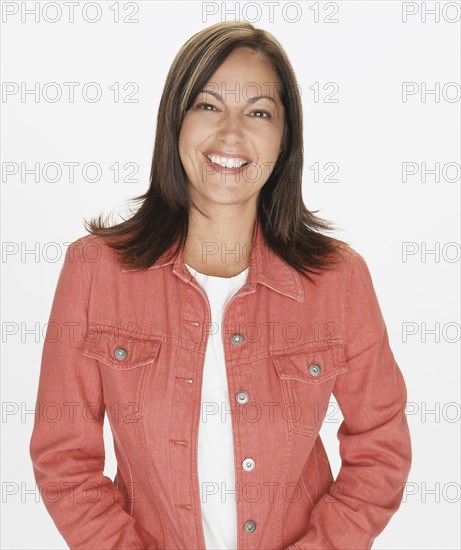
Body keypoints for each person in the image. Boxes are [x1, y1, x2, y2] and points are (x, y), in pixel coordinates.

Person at [29, 20, 412, 550]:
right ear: (175, 122)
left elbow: (381, 447)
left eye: (258, 112)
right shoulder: (94, 272)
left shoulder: (339, 279)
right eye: (208, 106)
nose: (232, 134)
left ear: (285, 139)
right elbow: (64, 458)